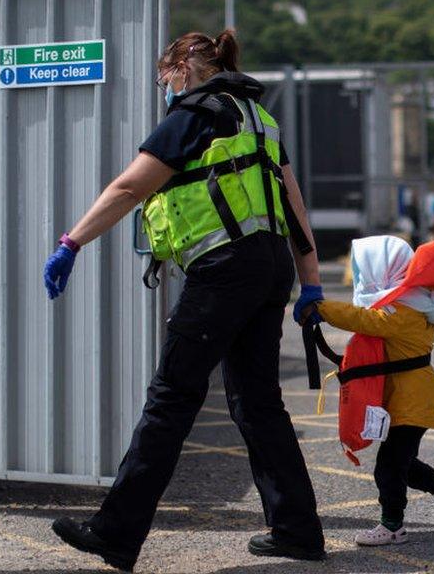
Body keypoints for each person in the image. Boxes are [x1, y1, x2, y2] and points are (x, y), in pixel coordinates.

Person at [42, 30, 327, 571]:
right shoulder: (261, 121)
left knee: (171, 398)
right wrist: (310, 281)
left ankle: (115, 533)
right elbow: (294, 205)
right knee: (258, 401)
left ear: (183, 68)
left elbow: (130, 188)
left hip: (224, 270)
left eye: (163, 78)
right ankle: (297, 531)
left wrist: (71, 241)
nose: (164, 88)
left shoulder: (196, 112)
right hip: (270, 270)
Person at [301, 236, 434, 546]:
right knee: (402, 464)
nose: (361, 278)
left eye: (365, 271)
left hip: (413, 403)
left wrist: (320, 308)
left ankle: (393, 527)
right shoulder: (409, 302)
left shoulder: (403, 310)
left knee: (389, 466)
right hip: (406, 400)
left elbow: (364, 320)